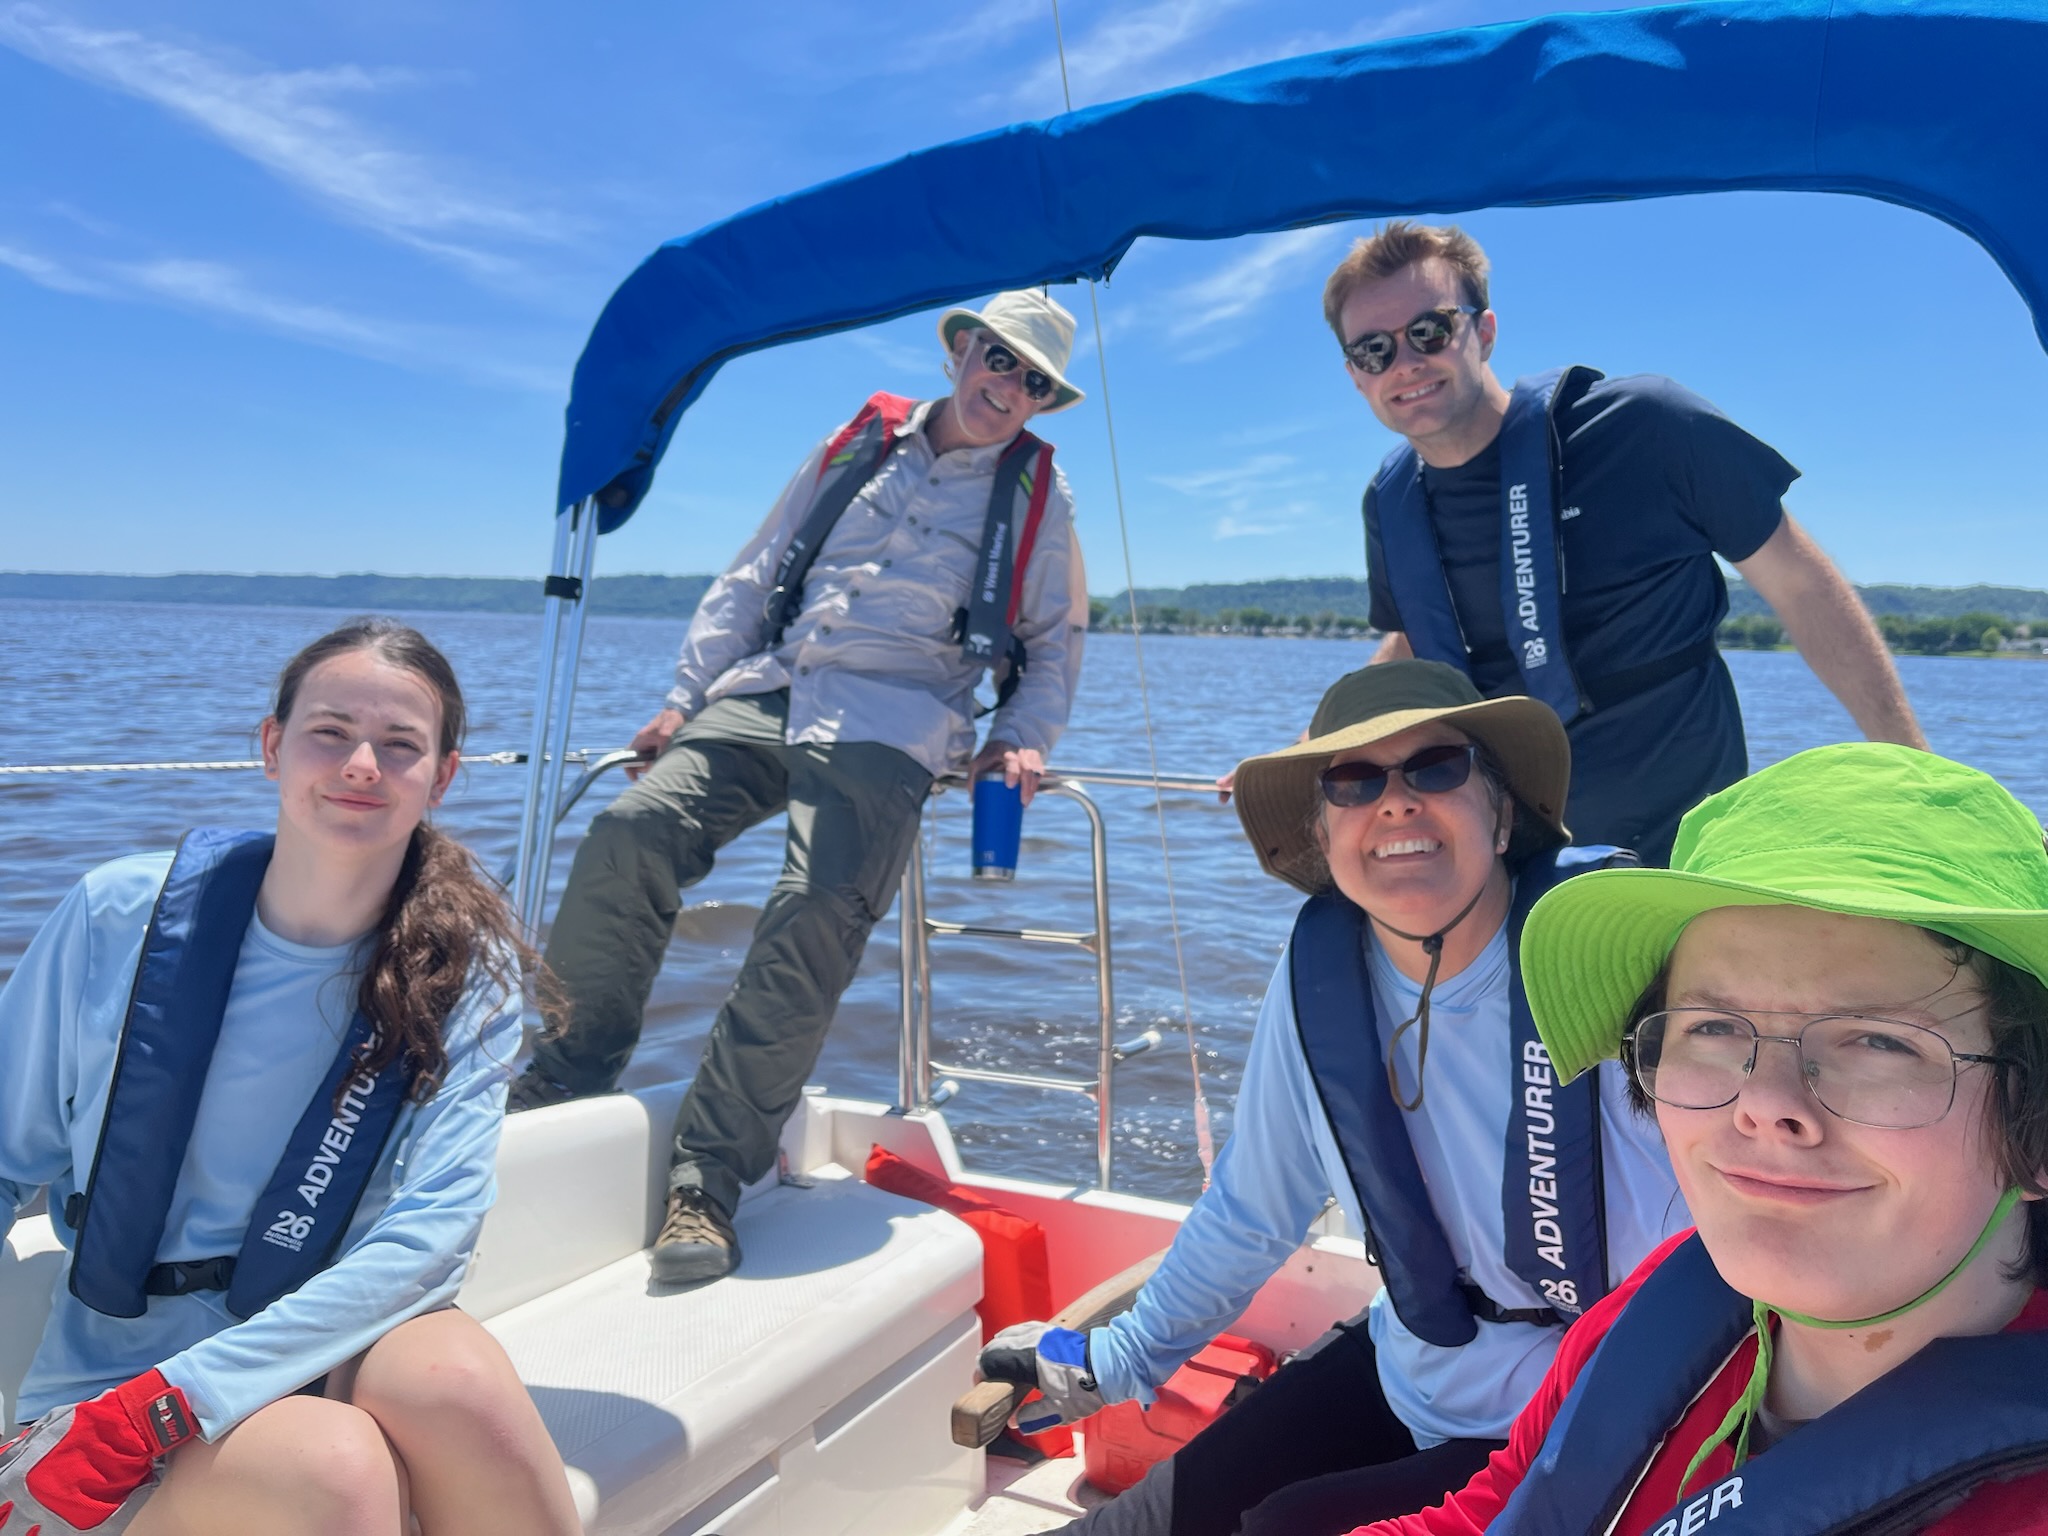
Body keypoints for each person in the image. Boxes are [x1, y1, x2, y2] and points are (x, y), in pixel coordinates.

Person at [979, 661, 1688, 1536]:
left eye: (1436, 767)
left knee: (1285, 1527)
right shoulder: (1321, 979)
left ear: (1502, 816)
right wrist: (1115, 1363)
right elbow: (1253, 1207)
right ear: (1323, 835)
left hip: (1584, 1418)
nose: (1394, 803)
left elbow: (1729, 1246)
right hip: (1417, 1361)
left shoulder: (1615, 968)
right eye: (1353, 781)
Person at [509, 289, 1089, 1284]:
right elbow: (754, 574)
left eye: (1032, 379)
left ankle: (706, 1181)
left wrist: (1019, 742)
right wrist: (683, 700)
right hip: (772, 687)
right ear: (962, 353)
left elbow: (1053, 643)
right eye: (998, 358)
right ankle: (561, 1087)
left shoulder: (1039, 493)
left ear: (1042, 400)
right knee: (630, 830)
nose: (1008, 385)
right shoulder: (856, 439)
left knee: (818, 905)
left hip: (897, 716)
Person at [1351, 742, 2048, 1536]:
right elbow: (1492, 1517)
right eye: (1714, 1027)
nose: (1765, 1104)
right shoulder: (1662, 1310)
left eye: (1880, 1041)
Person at [0, 619, 578, 1536]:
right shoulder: (116, 916)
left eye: (400, 746)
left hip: (313, 1348)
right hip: (108, 1381)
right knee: (333, 1465)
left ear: (443, 777)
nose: (361, 764)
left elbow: (431, 1237)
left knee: (456, 1385)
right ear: (272, 746)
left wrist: (175, 1402)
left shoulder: (468, 977)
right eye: (330, 731)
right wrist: (132, 1413)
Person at [1330, 220, 1924, 864]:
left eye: (1428, 330)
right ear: (1357, 376)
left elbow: (1801, 586)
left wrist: (1918, 774)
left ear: (1485, 331)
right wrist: (1309, 747)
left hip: (1683, 852)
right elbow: (1414, 639)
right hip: (1508, 857)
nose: (1406, 362)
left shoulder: (1646, 426)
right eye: (1374, 351)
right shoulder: (1390, 504)